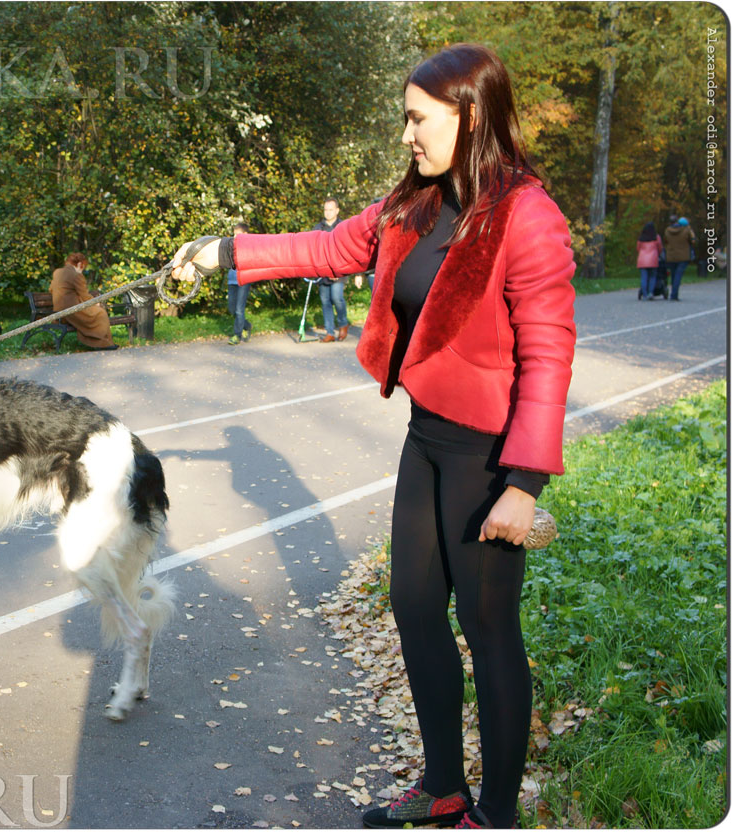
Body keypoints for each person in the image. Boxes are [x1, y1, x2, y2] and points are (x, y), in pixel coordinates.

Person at [171, 43, 576, 830]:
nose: (407, 136)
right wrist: (222, 250)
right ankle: (444, 787)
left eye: (417, 120)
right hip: (427, 439)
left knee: (489, 630)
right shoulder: (416, 202)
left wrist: (525, 485)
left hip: (489, 457)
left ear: (470, 113)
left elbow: (549, 355)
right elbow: (329, 248)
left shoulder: (528, 215)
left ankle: (496, 815)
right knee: (414, 606)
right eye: (405, 120)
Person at [49, 252, 118, 350]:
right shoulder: (76, 275)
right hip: (71, 311)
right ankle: (102, 343)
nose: (82, 270)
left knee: (96, 312)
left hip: (59, 311)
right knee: (100, 313)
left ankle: (103, 342)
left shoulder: (57, 272)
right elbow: (85, 295)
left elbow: (51, 289)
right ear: (79, 264)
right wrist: (96, 303)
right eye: (83, 267)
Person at [312, 198, 349, 342]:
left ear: (337, 210)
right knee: (325, 301)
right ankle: (329, 332)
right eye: (326, 210)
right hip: (323, 271)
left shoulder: (343, 226)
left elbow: (347, 250)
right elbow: (313, 249)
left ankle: (343, 323)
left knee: (337, 298)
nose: (328, 213)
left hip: (339, 271)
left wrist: (339, 271)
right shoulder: (318, 228)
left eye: (331, 209)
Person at [225, 222, 252, 344]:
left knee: (239, 309)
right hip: (232, 279)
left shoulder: (250, 247)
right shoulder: (232, 245)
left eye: (238, 234)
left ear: (245, 234)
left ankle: (237, 335)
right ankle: (246, 325)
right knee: (232, 308)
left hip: (243, 280)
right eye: (234, 234)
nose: (235, 237)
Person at [661, 216, 696, 301]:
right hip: (683, 256)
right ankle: (674, 295)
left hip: (671, 256)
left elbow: (665, 241)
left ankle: (673, 293)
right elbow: (693, 241)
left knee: (673, 275)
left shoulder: (667, 231)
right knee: (678, 275)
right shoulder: (686, 230)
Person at [635, 223, 665, 300]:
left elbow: (638, 248)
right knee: (652, 277)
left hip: (642, 260)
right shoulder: (656, 237)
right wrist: (658, 254)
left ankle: (644, 294)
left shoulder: (641, 238)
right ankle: (650, 293)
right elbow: (660, 248)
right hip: (653, 259)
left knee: (644, 277)